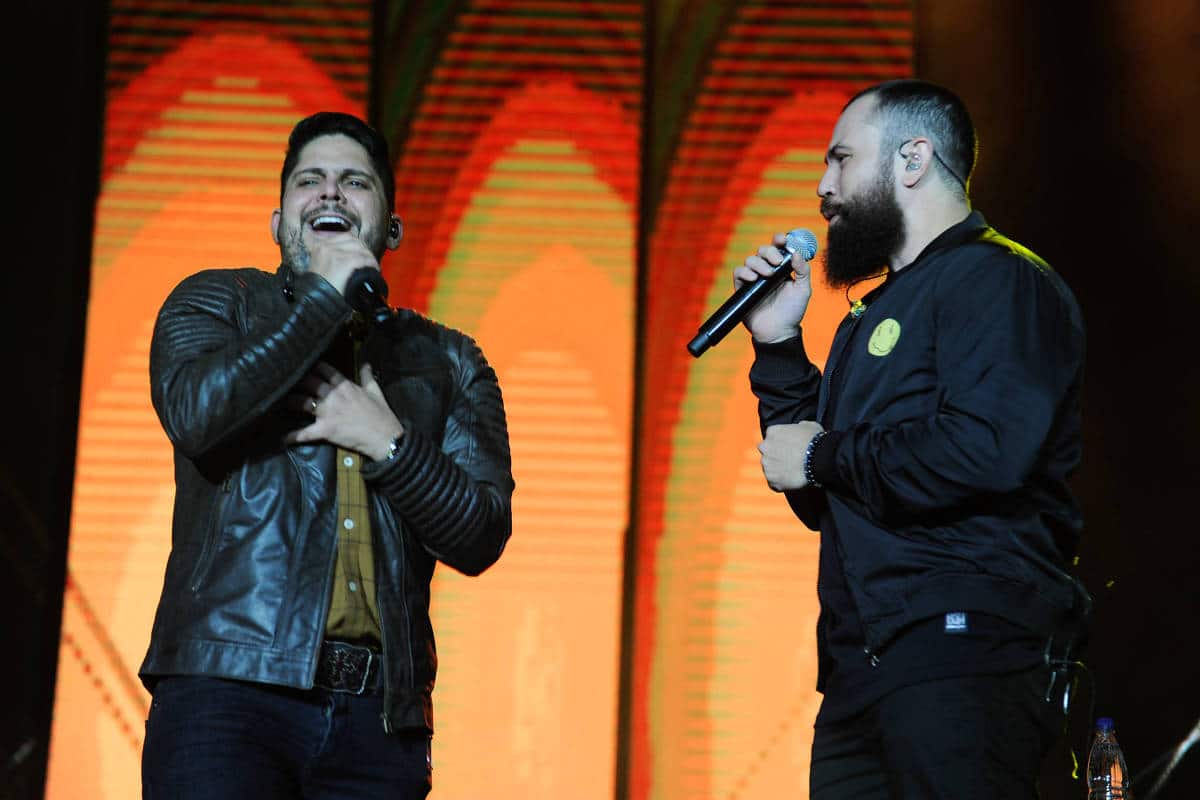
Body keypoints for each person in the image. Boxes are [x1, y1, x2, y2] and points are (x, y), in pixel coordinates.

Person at [139, 111, 514, 799]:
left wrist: (386, 443)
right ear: (281, 221)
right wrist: (320, 299)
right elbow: (196, 415)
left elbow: (481, 535)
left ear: (392, 227)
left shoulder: (449, 361)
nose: (331, 194)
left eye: (355, 183)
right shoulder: (219, 303)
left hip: (380, 722)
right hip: (227, 694)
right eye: (310, 182)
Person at [736, 79, 1090, 798]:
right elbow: (820, 492)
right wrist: (777, 351)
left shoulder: (999, 280)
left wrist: (821, 455)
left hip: (962, 654)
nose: (821, 185)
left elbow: (985, 449)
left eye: (840, 160)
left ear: (913, 159)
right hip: (859, 671)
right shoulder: (865, 320)